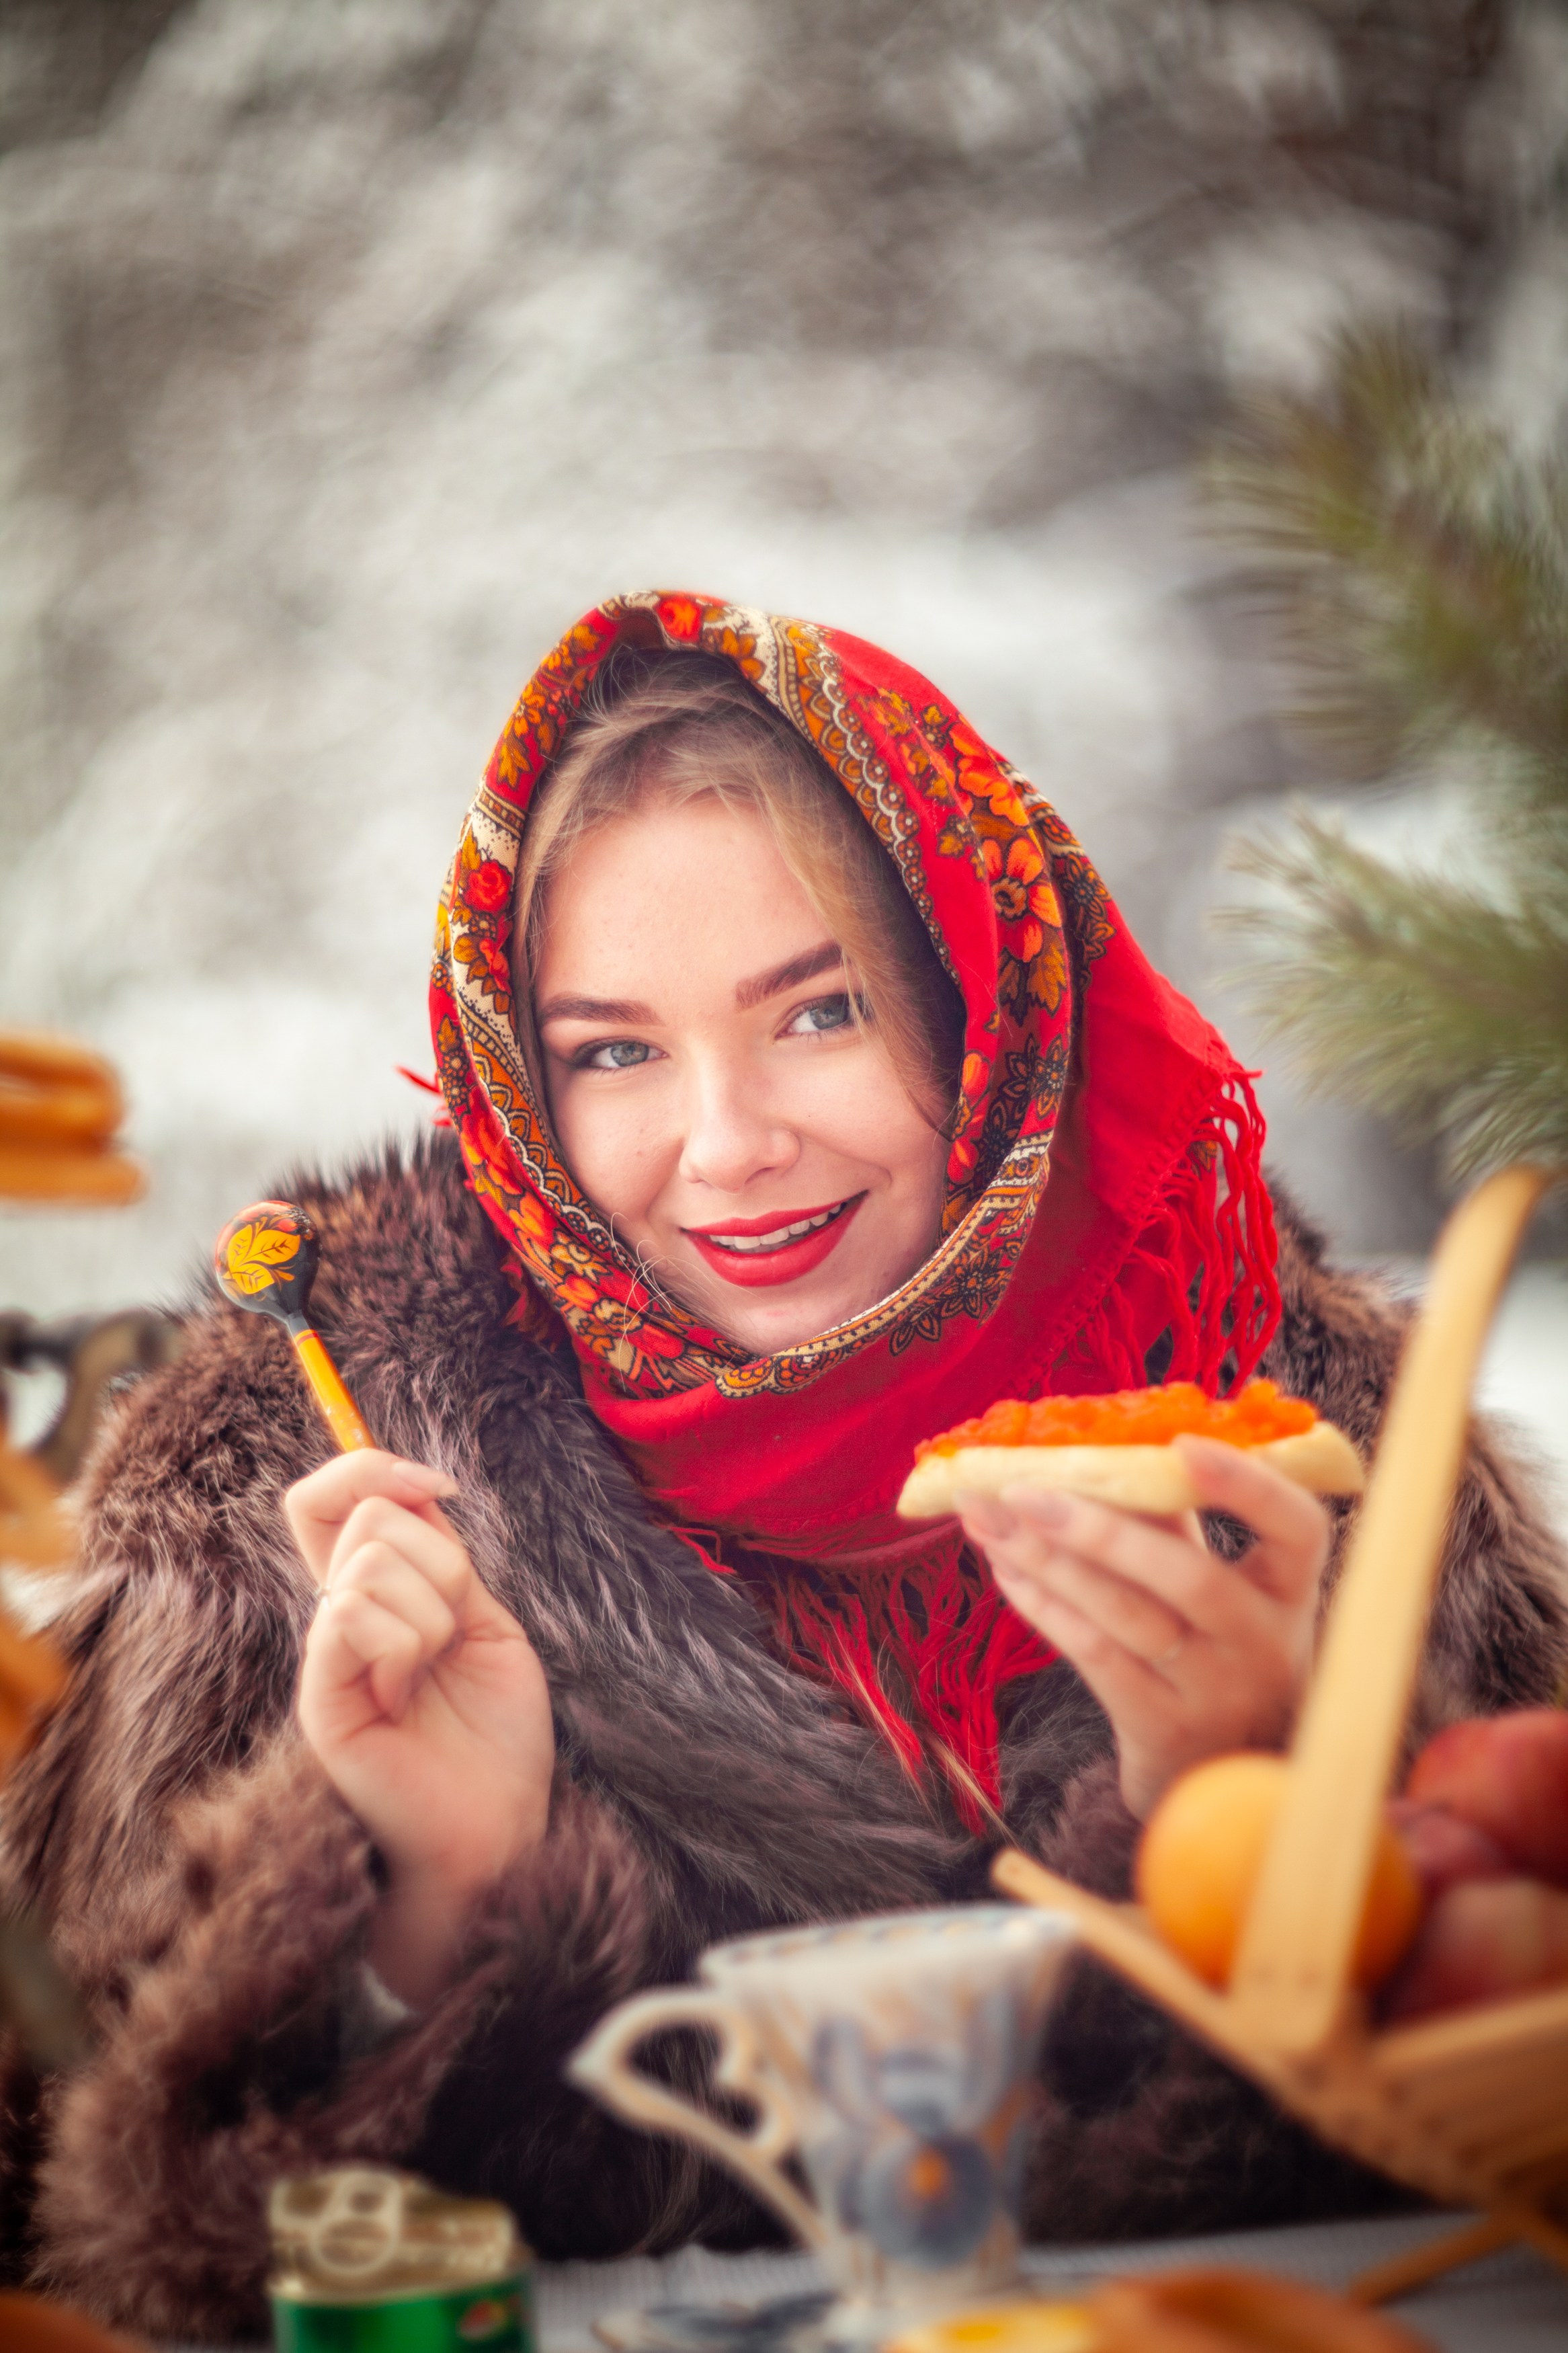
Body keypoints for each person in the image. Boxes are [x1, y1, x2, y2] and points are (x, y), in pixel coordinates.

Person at [0, 594, 1562, 2341]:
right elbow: (84, 2239)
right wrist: (419, 1900)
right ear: (521, 1079)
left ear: (980, 1006)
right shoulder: (304, 1476)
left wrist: (1247, 1813)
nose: (729, 1145)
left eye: (819, 1013)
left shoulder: (1319, 1433)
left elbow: (1494, 2219)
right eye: (614, 1050)